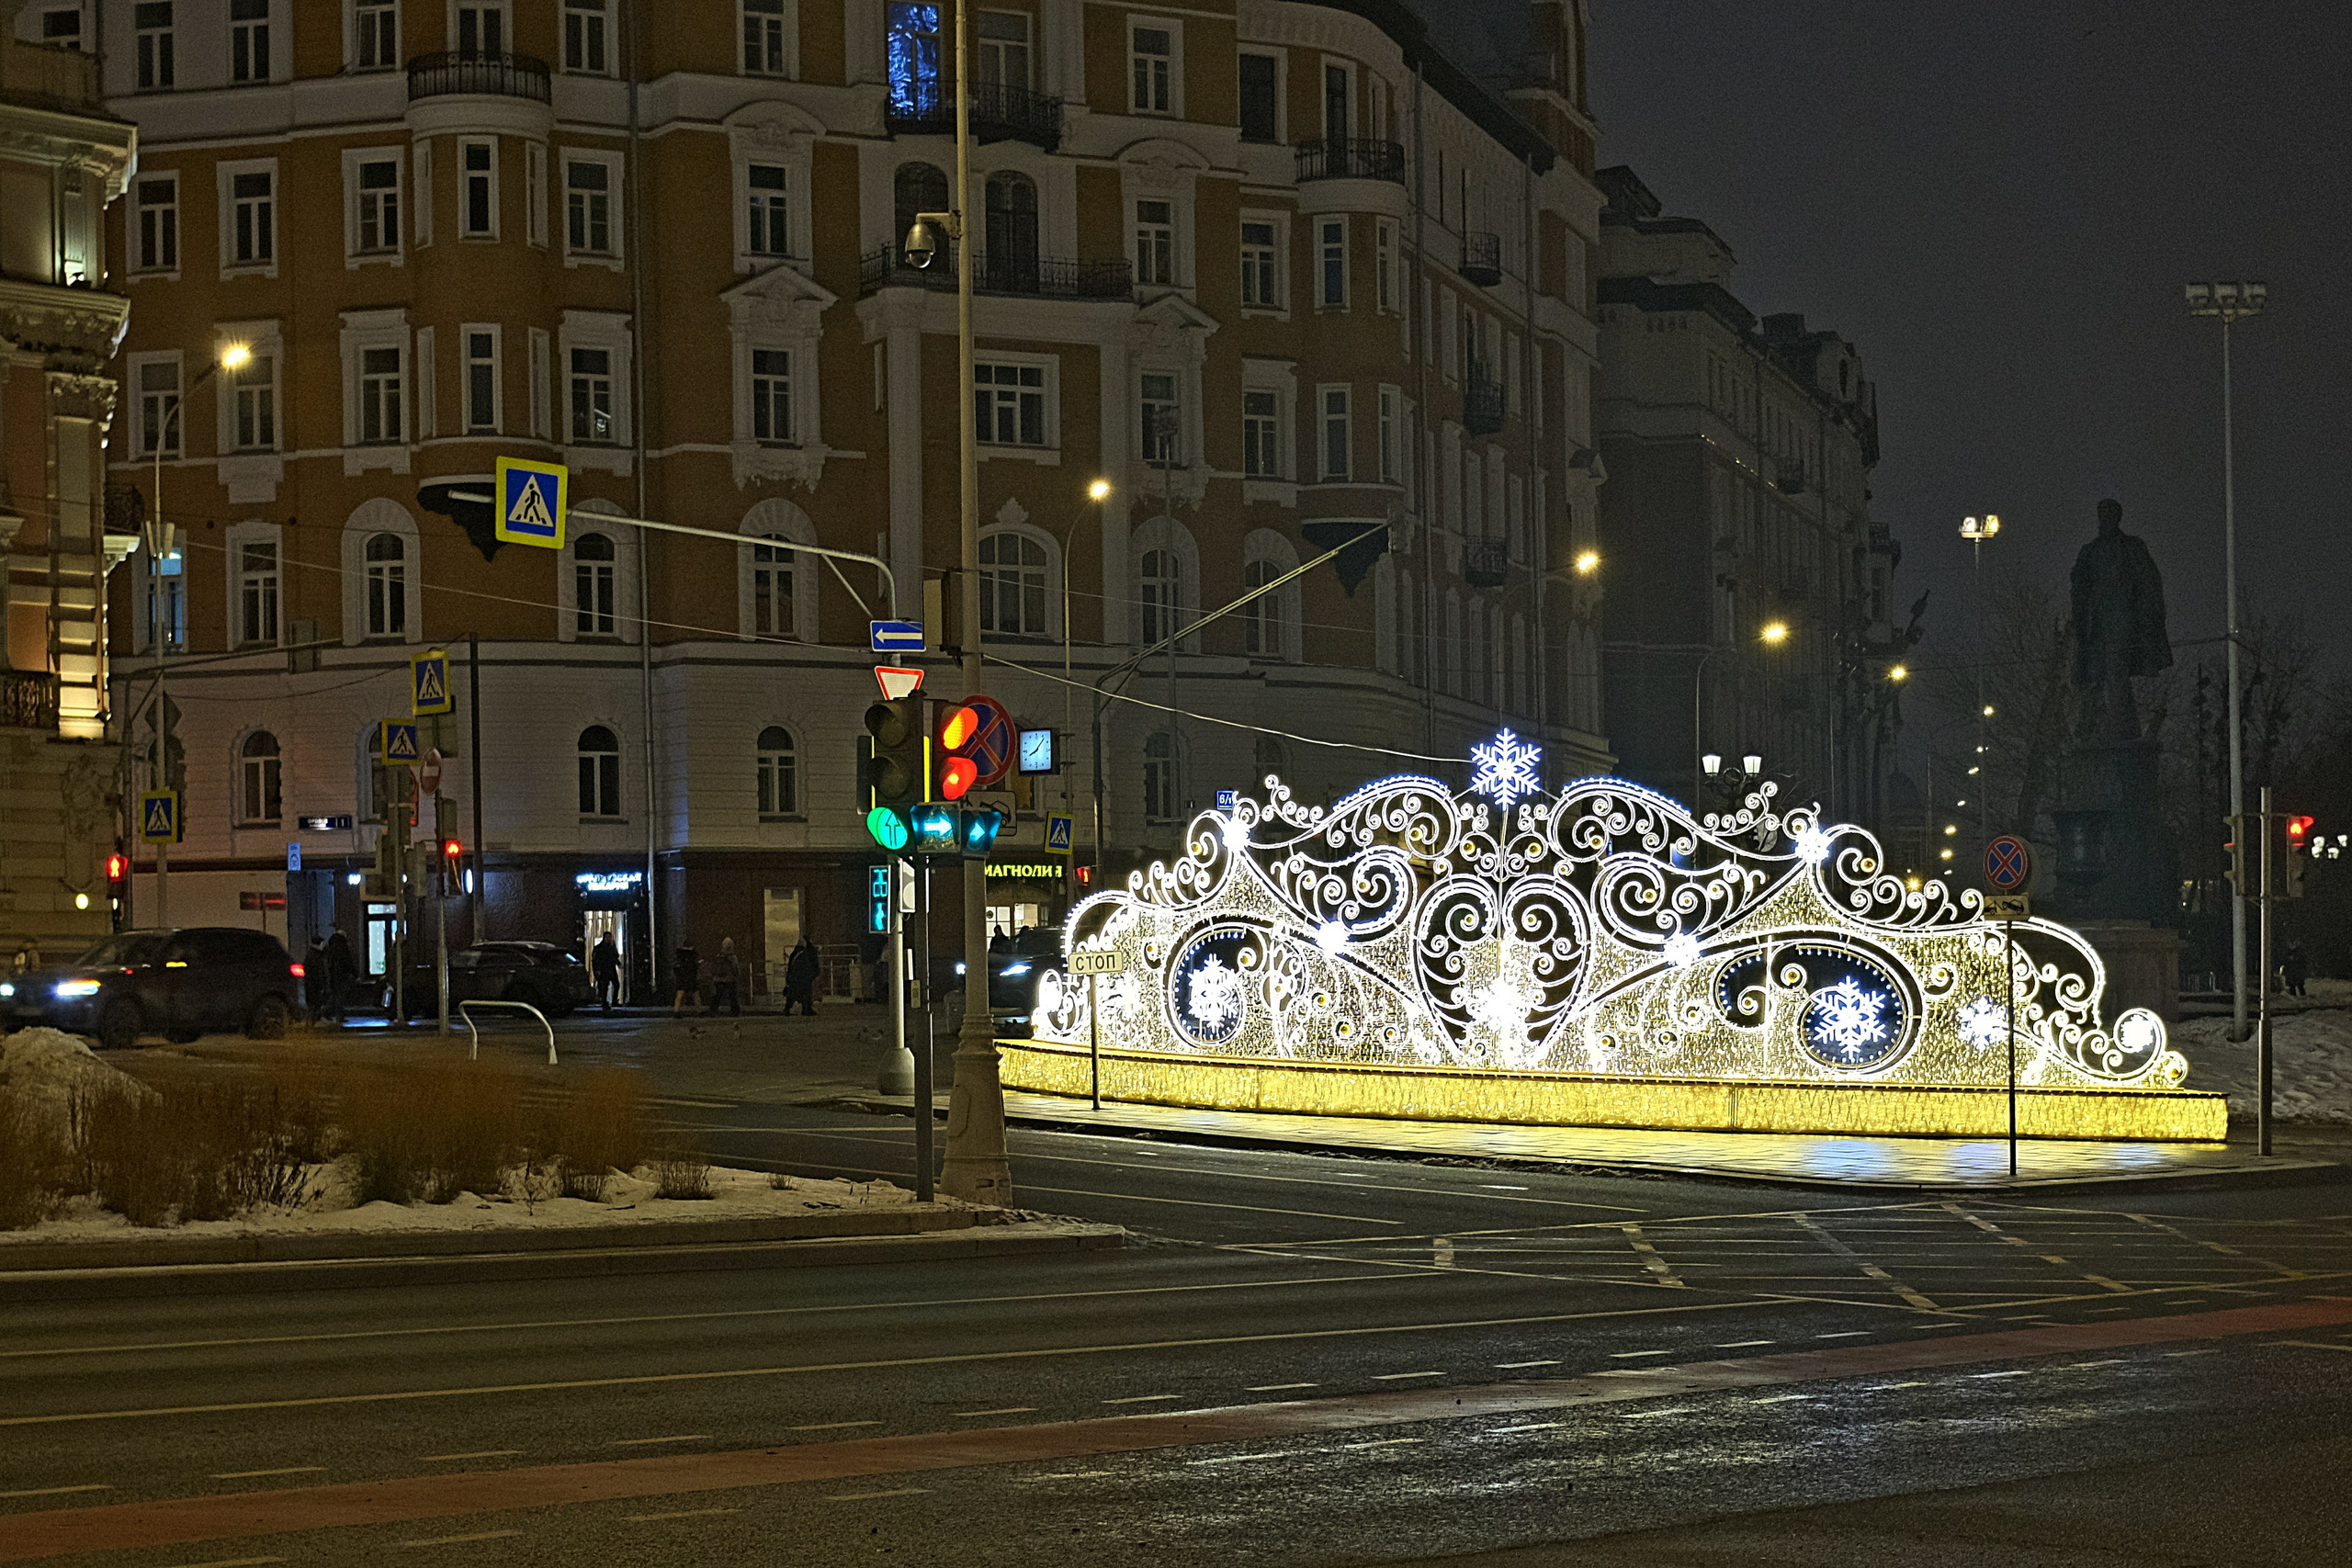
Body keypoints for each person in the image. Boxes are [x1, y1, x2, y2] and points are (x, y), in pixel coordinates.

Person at [322, 923, 356, 1025]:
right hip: (342, 976)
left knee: (335, 995)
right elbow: (348, 962)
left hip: (333, 976)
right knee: (339, 997)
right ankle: (337, 1015)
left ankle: (326, 1012)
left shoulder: (330, 947)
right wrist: (355, 974)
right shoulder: (343, 948)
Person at [784, 935, 820, 1017]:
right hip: (804, 978)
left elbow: (791, 966)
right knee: (806, 994)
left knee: (793, 995)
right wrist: (814, 975)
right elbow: (812, 964)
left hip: (795, 978)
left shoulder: (795, 953)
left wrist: (789, 978)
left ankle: (788, 1009)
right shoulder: (806, 953)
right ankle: (806, 1009)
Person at [707, 937, 741, 1017]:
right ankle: (735, 1012)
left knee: (718, 996)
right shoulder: (732, 957)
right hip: (730, 978)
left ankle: (713, 1010)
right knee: (733, 996)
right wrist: (737, 975)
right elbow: (735, 967)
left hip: (718, 979)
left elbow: (713, 967)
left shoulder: (719, 956)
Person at [672, 939, 702, 1017]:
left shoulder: (679, 954)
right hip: (691, 976)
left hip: (681, 977)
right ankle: (699, 1011)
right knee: (696, 994)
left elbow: (676, 966)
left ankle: (676, 1010)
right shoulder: (692, 955)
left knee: (680, 994)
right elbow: (693, 966)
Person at [592, 931, 620, 1010]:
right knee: (605, 986)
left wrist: (618, 964)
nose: (609, 939)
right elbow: (596, 960)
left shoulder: (611, 946)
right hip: (604, 969)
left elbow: (615, 956)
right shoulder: (599, 948)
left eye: (610, 937)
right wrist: (597, 970)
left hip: (611, 969)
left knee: (616, 984)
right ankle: (604, 1002)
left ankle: (614, 1000)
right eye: (607, 937)